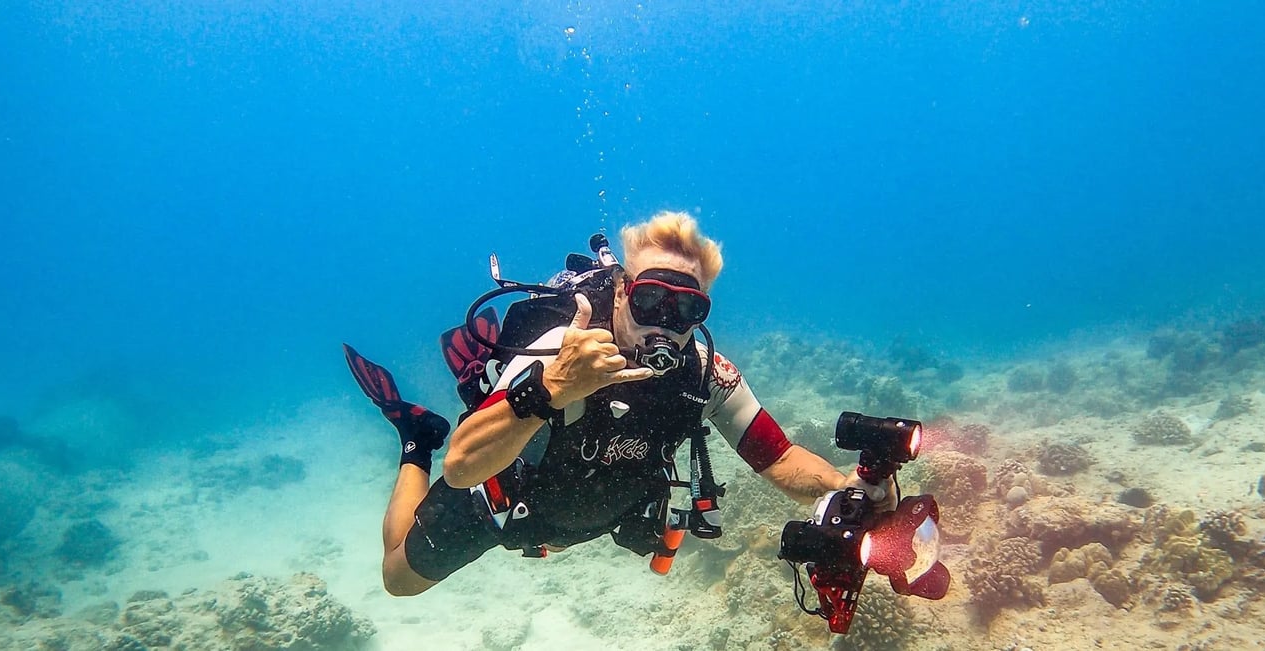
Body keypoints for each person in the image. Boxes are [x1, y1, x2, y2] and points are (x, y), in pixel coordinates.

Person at [347, 211, 895, 597]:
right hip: (502, 499)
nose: (666, 324)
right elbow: (462, 467)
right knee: (398, 579)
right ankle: (414, 438)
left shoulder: (706, 372)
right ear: (620, 291)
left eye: (688, 310)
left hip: (589, 509)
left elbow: (779, 459)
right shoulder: (559, 347)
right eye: (651, 300)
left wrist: (844, 485)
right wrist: (553, 388)